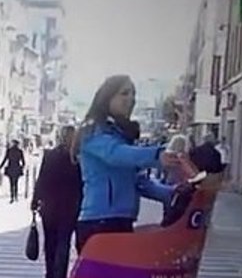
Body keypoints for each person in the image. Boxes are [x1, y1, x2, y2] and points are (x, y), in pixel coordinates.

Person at [73, 75, 184, 253]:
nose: (131, 99)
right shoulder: (93, 130)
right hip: (100, 222)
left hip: (121, 220)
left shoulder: (120, 134)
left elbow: (137, 181)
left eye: (133, 94)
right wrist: (157, 155)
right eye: (124, 93)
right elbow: (115, 154)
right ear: (107, 97)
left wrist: (172, 194)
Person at [32, 125, 82, 278]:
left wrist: (35, 200)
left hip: (50, 206)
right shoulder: (77, 158)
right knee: (64, 241)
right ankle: (60, 276)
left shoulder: (50, 155)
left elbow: (42, 179)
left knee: (50, 240)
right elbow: (82, 184)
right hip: (70, 206)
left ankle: (50, 274)